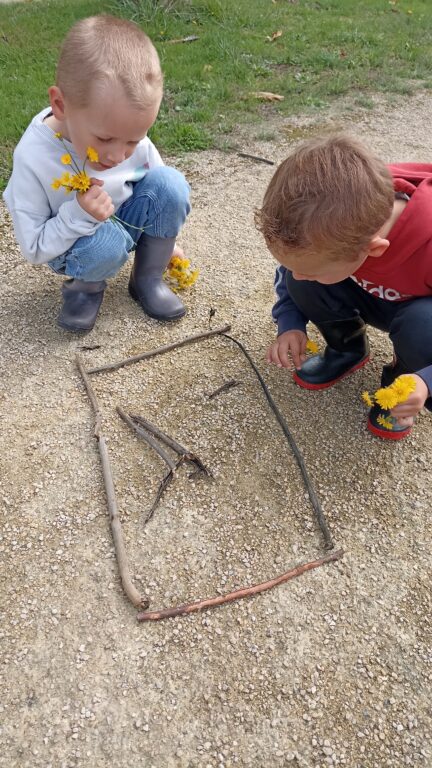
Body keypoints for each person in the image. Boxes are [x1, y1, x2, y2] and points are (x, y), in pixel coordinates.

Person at [3, 14, 191, 332]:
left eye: (133, 140)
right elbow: (34, 248)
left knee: (172, 184)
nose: (117, 156)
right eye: (104, 139)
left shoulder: (118, 127)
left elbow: (159, 189)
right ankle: (85, 290)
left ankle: (147, 278)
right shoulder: (33, 157)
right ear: (61, 105)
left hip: (121, 224)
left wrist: (163, 241)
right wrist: (78, 214)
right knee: (106, 243)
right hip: (75, 244)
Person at [255, 134, 432, 440]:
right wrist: (290, 321)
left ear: (373, 249)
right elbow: (295, 270)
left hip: (418, 312)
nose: (295, 275)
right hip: (377, 292)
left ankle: (401, 384)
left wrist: (426, 380)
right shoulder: (348, 214)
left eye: (311, 269)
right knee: (303, 281)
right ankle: (347, 348)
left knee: (423, 326)